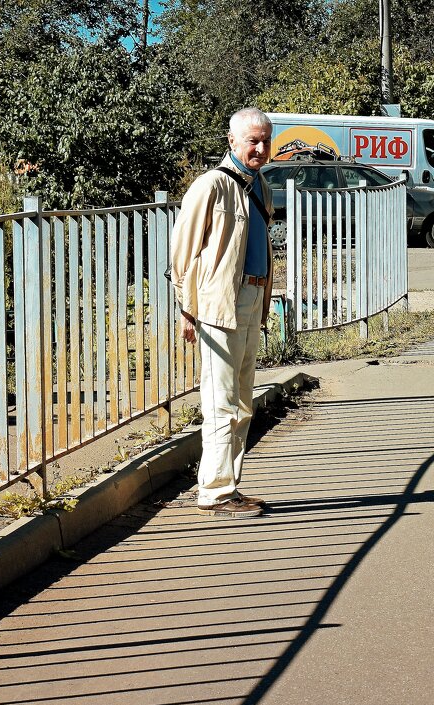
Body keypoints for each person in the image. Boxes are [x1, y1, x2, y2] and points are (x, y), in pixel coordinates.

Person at [170, 107, 275, 518]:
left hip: (251, 300)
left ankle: (230, 488)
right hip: (218, 305)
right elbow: (183, 253)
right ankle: (214, 492)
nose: (261, 148)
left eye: (266, 140)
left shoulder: (260, 185)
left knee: (243, 402)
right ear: (232, 141)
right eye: (253, 140)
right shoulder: (211, 185)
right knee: (221, 400)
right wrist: (186, 308)